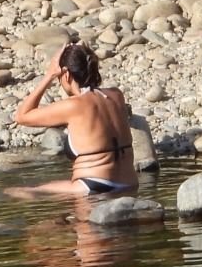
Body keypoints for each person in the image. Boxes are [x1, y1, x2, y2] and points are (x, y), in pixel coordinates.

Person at [9, 42, 137, 197]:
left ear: (66, 74)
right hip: (129, 184)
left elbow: (22, 116)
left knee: (17, 191)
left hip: (93, 185)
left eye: (59, 78)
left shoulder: (73, 106)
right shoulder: (116, 95)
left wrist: (49, 75)